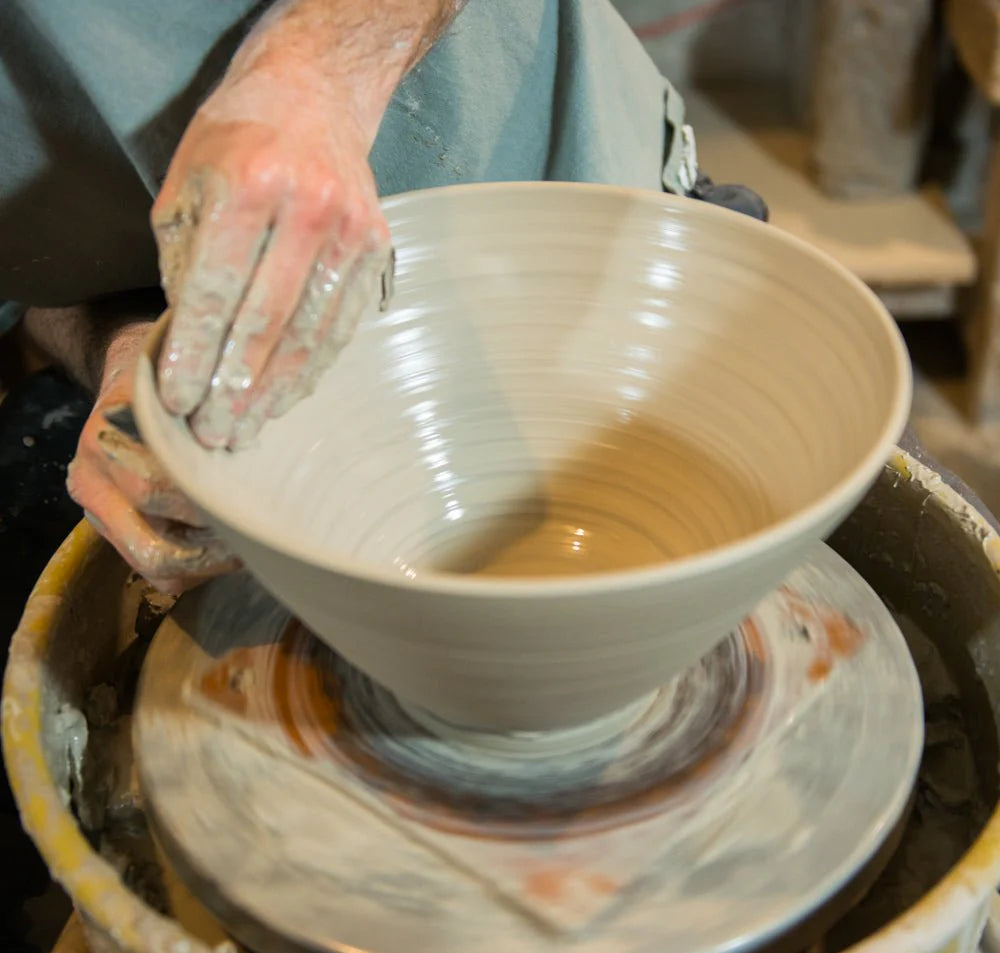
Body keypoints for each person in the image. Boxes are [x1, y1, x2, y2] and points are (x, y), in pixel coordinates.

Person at [0, 0, 765, 594]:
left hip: (591, 249)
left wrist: (321, 72)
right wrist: (124, 341)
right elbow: (40, 285)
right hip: (276, 431)